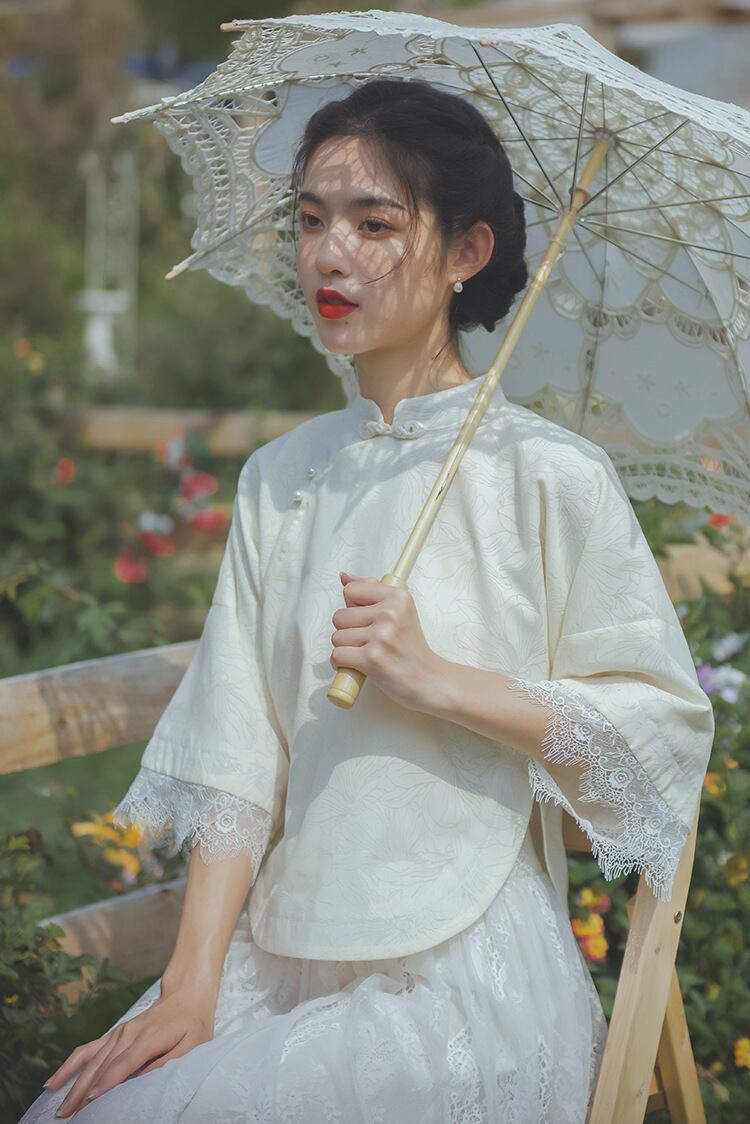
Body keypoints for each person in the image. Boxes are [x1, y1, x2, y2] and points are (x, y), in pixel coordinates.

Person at [20, 78, 714, 1124]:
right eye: (311, 220)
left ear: (467, 250)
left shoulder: (550, 475)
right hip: (277, 948)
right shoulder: (281, 476)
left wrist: (439, 681)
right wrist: (190, 987)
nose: (329, 256)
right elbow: (236, 750)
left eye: (374, 224)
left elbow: (661, 727)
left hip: (463, 970)